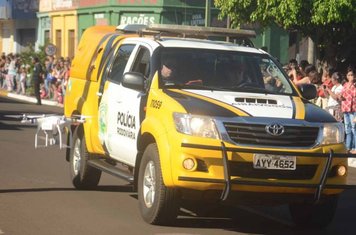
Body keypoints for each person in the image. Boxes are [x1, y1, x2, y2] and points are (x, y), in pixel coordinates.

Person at [339, 66, 356, 153]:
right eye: (348, 75)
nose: (350, 77)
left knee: (354, 128)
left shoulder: (355, 85)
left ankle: (355, 147)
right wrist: (340, 97)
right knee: (347, 128)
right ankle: (348, 146)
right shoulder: (345, 85)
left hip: (353, 110)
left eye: (352, 75)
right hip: (345, 109)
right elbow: (341, 96)